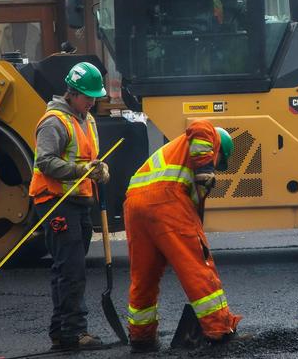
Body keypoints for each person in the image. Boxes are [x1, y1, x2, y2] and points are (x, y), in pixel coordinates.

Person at [124, 119, 243, 353]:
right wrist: (206, 168)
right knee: (197, 266)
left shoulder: (175, 158)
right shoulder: (210, 137)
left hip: (134, 204)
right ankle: (219, 330)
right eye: (218, 163)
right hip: (166, 200)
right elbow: (200, 125)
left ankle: (142, 337)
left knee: (144, 275)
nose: (216, 166)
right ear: (218, 150)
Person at [28, 62, 110, 350]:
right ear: (72, 93)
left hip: (78, 200)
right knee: (71, 268)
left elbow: (87, 158)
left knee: (68, 268)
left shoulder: (86, 119)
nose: (92, 102)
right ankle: (74, 333)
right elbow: (45, 161)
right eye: (88, 96)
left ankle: (61, 332)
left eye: (94, 97)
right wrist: (81, 171)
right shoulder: (54, 122)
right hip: (54, 202)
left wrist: (99, 169)